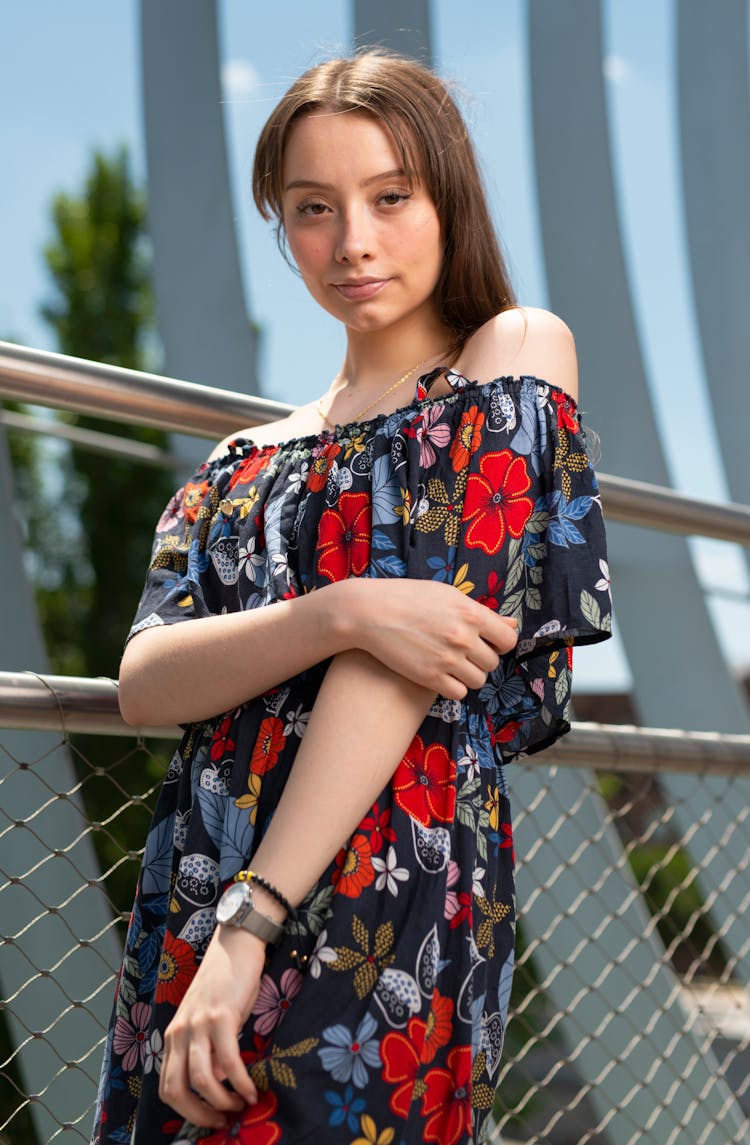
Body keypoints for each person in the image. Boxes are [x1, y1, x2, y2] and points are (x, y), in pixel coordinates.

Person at [91, 49, 611, 1145]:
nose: (353, 243)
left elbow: (416, 661)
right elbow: (146, 680)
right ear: (280, 224)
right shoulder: (241, 454)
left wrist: (251, 925)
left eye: (390, 197)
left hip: (385, 881)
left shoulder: (507, 356)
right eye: (313, 208)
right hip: (202, 866)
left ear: (447, 199)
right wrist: (337, 612)